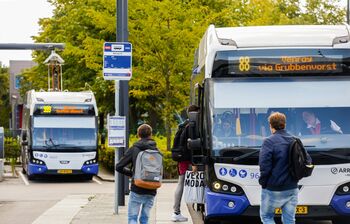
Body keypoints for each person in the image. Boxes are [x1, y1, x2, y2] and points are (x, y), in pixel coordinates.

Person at [259, 112, 298, 224]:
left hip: (273, 187)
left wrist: (263, 182)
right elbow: (306, 161)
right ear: (284, 124)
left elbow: (264, 165)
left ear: (270, 126)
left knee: (267, 217)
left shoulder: (269, 141)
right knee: (289, 220)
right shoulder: (295, 140)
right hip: (292, 187)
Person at [116, 124, 159, 224]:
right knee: (145, 219)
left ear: (138, 134)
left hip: (137, 187)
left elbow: (119, 166)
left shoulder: (134, 148)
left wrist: (132, 174)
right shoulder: (156, 149)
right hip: (152, 188)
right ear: (151, 134)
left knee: (132, 218)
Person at [171, 105, 199, 222]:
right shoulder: (191, 126)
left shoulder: (183, 125)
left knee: (181, 183)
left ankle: (176, 212)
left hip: (182, 158)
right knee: (183, 183)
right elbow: (191, 146)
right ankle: (176, 212)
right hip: (187, 160)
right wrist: (194, 163)